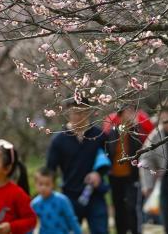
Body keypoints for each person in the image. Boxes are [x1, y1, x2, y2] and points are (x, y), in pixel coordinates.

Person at [46, 97, 109, 234]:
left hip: (95, 194)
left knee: (100, 230)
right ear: (68, 112)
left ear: (89, 111)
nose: (79, 116)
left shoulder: (99, 135)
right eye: (75, 112)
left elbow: (108, 160)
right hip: (69, 196)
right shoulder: (59, 139)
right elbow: (50, 169)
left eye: (83, 112)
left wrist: (98, 174)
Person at [106, 104, 144, 234]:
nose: (131, 114)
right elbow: (109, 152)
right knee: (119, 207)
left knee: (132, 207)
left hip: (131, 176)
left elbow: (141, 149)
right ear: (121, 114)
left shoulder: (136, 131)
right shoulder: (113, 132)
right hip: (115, 176)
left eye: (133, 111)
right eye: (128, 111)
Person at [139, 104, 168, 234]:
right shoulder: (156, 134)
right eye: (162, 120)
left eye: (167, 119)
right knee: (166, 219)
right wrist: (148, 184)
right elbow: (145, 159)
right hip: (164, 181)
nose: (165, 123)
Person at [32, 167, 82, 234]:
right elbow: (30, 223)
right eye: (40, 184)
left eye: (47, 184)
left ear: (53, 185)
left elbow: (71, 219)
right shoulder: (35, 204)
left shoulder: (62, 200)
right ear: (35, 185)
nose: (43, 188)